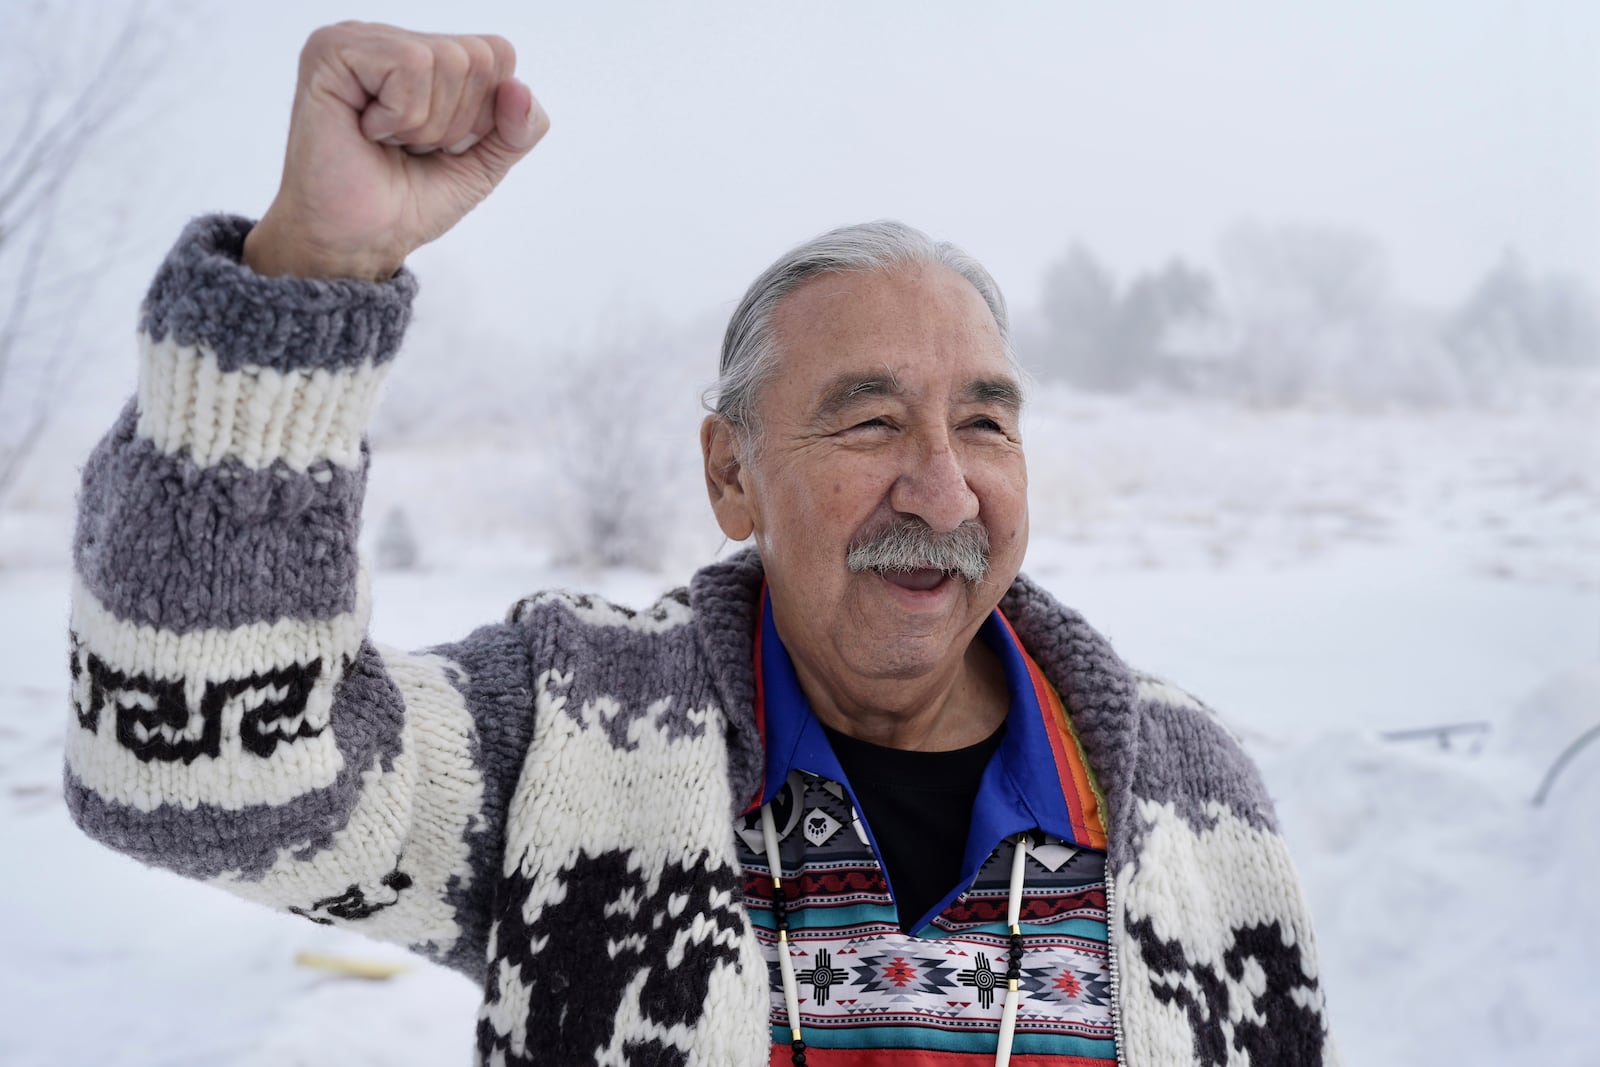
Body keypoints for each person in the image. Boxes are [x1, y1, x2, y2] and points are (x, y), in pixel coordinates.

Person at [65, 21, 1337, 1067]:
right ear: (732, 474)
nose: (942, 490)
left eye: (985, 424)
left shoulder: (1186, 791)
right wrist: (316, 269)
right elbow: (194, 773)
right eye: (872, 419)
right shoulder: (576, 733)